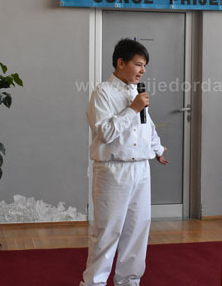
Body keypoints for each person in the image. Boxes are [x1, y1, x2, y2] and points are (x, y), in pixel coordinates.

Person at [80, 38, 168, 286]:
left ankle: (129, 281)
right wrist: (132, 109)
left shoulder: (136, 92)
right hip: (113, 170)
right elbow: (105, 132)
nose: (143, 71)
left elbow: (147, 126)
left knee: (138, 230)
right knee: (107, 232)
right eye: (138, 64)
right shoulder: (102, 93)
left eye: (144, 66)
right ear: (121, 63)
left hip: (141, 169)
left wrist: (157, 148)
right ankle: (94, 283)